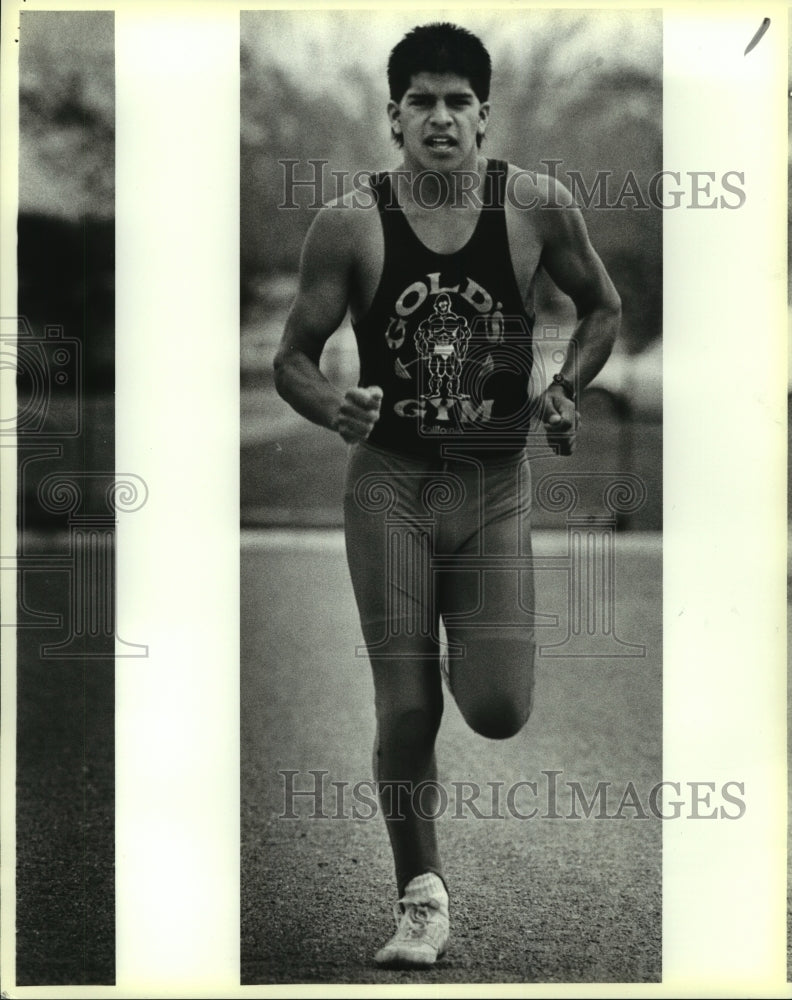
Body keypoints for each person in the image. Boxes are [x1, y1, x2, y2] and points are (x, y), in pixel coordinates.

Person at [273, 22, 621, 969]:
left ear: (483, 114)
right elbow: (292, 359)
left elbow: (603, 307)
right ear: (393, 117)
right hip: (388, 487)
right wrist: (332, 404)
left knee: (499, 705)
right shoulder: (349, 222)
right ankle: (421, 897)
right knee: (410, 707)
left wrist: (563, 386)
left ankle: (453, 717)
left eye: (456, 101)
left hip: (492, 485)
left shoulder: (536, 209)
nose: (438, 117)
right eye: (419, 101)